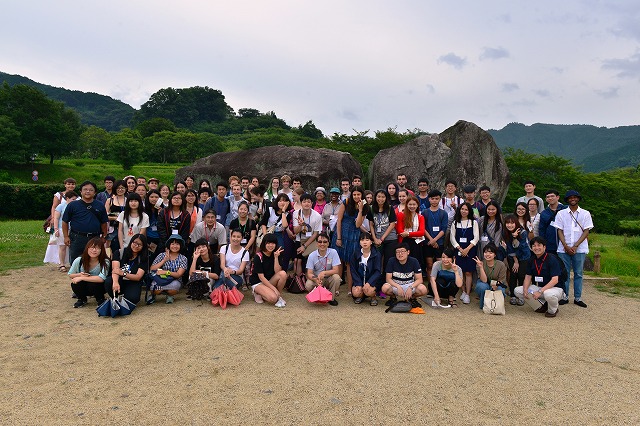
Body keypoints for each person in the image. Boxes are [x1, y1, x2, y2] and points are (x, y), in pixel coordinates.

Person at [555, 190, 594, 308]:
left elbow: (586, 230)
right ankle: (565, 296)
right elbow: (559, 230)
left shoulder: (585, 213)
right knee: (564, 273)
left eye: (575, 197)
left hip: (580, 248)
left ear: (578, 199)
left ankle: (578, 297)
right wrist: (566, 246)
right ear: (567, 200)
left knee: (578, 273)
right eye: (570, 197)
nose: (573, 199)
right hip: (563, 248)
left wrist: (576, 245)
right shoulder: (561, 213)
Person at [514, 236, 565, 318]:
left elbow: (555, 280)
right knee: (518, 291)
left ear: (544, 247)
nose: (536, 248)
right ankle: (542, 305)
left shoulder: (552, 259)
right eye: (534, 246)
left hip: (555, 289)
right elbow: (528, 276)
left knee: (548, 294)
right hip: (540, 288)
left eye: (539, 245)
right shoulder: (532, 260)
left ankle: (553, 310)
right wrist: (525, 289)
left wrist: (540, 291)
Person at [331, 185, 367, 295]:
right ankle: (336, 288)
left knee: (350, 263)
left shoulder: (365, 206)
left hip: (354, 236)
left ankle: (349, 289)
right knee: (339, 261)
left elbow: (358, 224)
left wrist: (360, 210)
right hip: (342, 232)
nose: (356, 196)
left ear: (362, 195)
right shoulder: (346, 202)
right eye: (354, 194)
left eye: (358, 194)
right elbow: (339, 220)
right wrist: (339, 237)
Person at [62, 181, 109, 265]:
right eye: (85, 189)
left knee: (93, 261)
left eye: (91, 190)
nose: (88, 191)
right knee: (76, 261)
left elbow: (104, 222)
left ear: (95, 192)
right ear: (80, 191)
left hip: (94, 237)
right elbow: (65, 221)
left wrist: (104, 236)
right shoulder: (73, 205)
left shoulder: (100, 205)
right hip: (77, 237)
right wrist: (66, 236)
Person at [449, 202, 479, 304]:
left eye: (466, 209)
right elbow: (452, 238)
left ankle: (467, 294)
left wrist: (467, 249)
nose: (464, 211)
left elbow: (476, 238)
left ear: (469, 211)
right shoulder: (455, 223)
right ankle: (463, 290)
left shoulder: (474, 222)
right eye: (462, 209)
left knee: (468, 272)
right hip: (458, 250)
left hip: (470, 250)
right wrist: (460, 249)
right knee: (459, 271)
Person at [69, 237, 110, 308]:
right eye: (91, 247)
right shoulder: (79, 260)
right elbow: (70, 274)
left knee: (94, 284)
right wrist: (79, 275)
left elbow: (101, 278)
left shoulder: (105, 262)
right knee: (75, 284)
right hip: (84, 285)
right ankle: (82, 299)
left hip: (99, 286)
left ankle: (100, 299)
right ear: (87, 248)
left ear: (101, 250)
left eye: (97, 248)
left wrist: (82, 278)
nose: (94, 250)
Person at [108, 234, 148, 305]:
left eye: (139, 245)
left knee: (132, 299)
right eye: (134, 243)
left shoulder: (143, 257)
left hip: (133, 282)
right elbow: (115, 270)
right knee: (109, 282)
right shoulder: (119, 252)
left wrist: (123, 273)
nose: (136, 246)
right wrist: (115, 282)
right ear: (131, 242)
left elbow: (138, 277)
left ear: (143, 247)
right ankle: (116, 297)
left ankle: (126, 298)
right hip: (120, 279)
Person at [250, 234, 287, 307]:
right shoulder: (258, 256)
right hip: (258, 282)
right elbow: (261, 277)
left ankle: (278, 296)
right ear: (264, 243)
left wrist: (276, 258)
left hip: (269, 280)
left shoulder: (277, 254)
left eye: (273, 243)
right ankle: (258, 292)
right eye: (268, 243)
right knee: (272, 298)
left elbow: (278, 272)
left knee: (283, 274)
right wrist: (274, 289)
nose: (271, 245)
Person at [305, 232, 341, 306]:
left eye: (325, 242)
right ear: (316, 243)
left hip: (328, 278)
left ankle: (331, 298)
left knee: (337, 278)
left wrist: (324, 273)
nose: (322, 244)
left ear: (328, 243)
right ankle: (316, 295)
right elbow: (309, 273)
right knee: (308, 285)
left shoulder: (333, 252)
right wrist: (316, 279)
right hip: (317, 278)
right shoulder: (312, 255)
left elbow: (336, 270)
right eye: (320, 242)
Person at [150, 234, 188, 304]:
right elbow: (152, 269)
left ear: (181, 246)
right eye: (172, 244)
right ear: (169, 245)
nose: (175, 246)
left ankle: (170, 295)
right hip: (160, 279)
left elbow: (179, 274)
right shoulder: (162, 255)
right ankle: (153, 295)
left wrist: (166, 272)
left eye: (177, 244)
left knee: (172, 290)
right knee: (155, 289)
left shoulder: (183, 258)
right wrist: (164, 260)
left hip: (175, 280)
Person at [260, 193, 294, 270]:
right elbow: (263, 223)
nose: (282, 203)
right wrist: (266, 236)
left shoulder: (288, 213)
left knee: (280, 251)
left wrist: (283, 211)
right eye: (280, 201)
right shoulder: (270, 210)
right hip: (268, 232)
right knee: (266, 250)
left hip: (279, 234)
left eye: (285, 201)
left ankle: (278, 268)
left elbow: (285, 226)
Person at [502, 214, 531, 306]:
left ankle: (521, 295)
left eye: (512, 223)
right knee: (513, 275)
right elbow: (510, 248)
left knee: (521, 275)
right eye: (507, 223)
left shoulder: (522, 232)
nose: (509, 225)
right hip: (512, 257)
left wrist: (515, 238)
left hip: (524, 256)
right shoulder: (505, 232)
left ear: (516, 223)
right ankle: (513, 295)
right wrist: (515, 261)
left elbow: (522, 247)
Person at [367, 189, 398, 273]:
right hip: (377, 239)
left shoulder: (390, 208)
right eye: (379, 196)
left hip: (390, 239)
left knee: (388, 260)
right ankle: (377, 280)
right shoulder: (371, 209)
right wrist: (374, 238)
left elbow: (392, 224)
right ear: (375, 197)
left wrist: (382, 238)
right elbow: (371, 224)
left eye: (383, 197)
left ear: (386, 198)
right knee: (377, 260)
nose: (380, 199)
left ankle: (386, 280)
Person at [46, 190, 78, 271]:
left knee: (74, 247)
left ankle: (74, 264)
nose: (74, 201)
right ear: (67, 198)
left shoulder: (76, 206)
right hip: (61, 228)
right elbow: (56, 218)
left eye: (75, 199)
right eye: (73, 199)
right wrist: (56, 229)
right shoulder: (61, 206)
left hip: (74, 229)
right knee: (62, 247)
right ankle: (62, 264)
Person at [350, 232, 382, 306]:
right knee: (356, 292)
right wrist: (358, 283)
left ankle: (373, 297)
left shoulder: (376, 254)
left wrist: (369, 283)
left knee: (369, 291)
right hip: (360, 280)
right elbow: (353, 270)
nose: (364, 242)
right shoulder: (355, 253)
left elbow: (377, 271)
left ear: (371, 242)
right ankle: (361, 296)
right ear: (359, 242)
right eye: (362, 240)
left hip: (372, 282)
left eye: (367, 240)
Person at [422, 190, 448, 277]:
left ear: (440, 199)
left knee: (440, 264)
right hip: (428, 242)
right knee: (429, 265)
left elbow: (444, 229)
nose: (434, 201)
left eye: (436, 199)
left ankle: (439, 284)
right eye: (432, 199)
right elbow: (423, 228)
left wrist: (435, 240)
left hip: (439, 242)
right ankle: (430, 286)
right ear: (429, 199)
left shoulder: (443, 213)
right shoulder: (424, 212)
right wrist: (431, 240)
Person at [473, 243, 508, 309]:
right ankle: (484, 304)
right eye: (485, 252)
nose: (487, 254)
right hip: (485, 282)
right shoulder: (480, 264)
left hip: (498, 283)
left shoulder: (501, 265)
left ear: (495, 255)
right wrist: (481, 267)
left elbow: (502, 280)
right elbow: (484, 280)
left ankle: (497, 306)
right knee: (482, 286)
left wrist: (495, 285)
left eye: (490, 253)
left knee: (500, 290)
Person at [395, 195, 426, 270]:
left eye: (414, 204)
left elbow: (421, 232)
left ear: (417, 205)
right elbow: (400, 230)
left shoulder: (420, 217)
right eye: (410, 204)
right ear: (407, 205)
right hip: (404, 242)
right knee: (403, 261)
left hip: (416, 243)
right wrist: (415, 234)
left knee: (415, 262)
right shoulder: (401, 215)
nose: (412, 206)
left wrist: (408, 234)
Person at [538, 190, 567, 256]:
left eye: (552, 196)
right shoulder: (544, 213)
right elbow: (542, 229)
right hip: (550, 245)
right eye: (548, 197)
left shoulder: (566, 209)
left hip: (565, 244)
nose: (550, 198)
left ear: (558, 197)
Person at [105, 179, 127, 252]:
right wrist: (116, 218)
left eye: (122, 188)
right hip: (113, 228)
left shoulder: (129, 200)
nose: (120, 190)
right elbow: (104, 216)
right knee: (110, 247)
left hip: (126, 228)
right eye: (118, 188)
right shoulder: (110, 200)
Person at [144, 189, 162, 258]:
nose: (154, 199)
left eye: (156, 197)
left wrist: (161, 214)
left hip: (160, 238)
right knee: (151, 257)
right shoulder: (144, 211)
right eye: (151, 197)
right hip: (149, 238)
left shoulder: (164, 210)